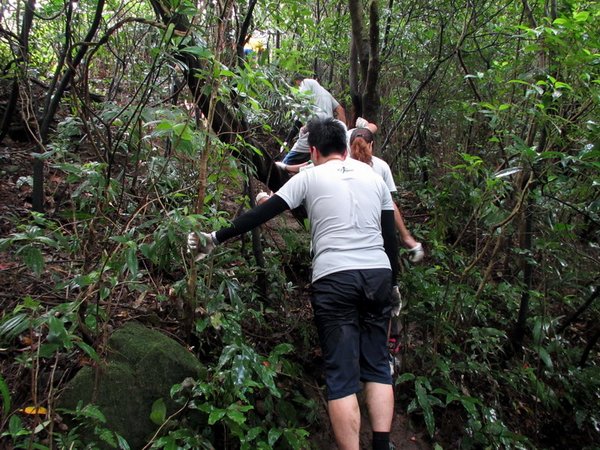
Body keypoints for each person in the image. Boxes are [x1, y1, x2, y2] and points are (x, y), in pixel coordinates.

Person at [188, 117, 397, 450]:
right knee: (377, 364)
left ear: (312, 150)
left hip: (335, 277)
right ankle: (383, 444)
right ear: (345, 148)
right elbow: (390, 238)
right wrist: (393, 285)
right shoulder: (374, 177)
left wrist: (213, 238)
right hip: (378, 275)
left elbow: (261, 213)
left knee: (342, 376)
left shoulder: (310, 176)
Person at [280, 74, 346, 165]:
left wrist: (288, 139)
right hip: (328, 136)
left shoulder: (306, 82)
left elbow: (301, 113)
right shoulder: (326, 93)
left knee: (284, 164)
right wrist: (342, 133)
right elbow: (340, 110)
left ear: (298, 82)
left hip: (312, 135)